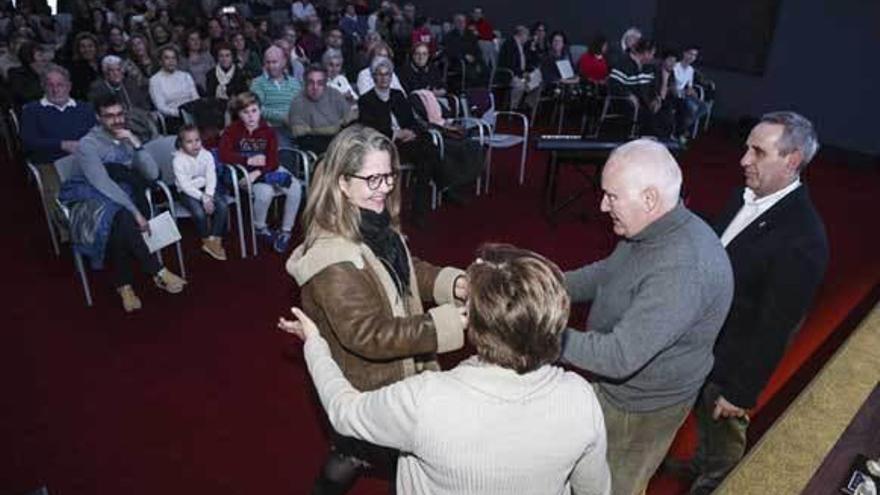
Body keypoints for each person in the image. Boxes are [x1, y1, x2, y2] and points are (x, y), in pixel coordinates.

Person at [282, 243, 611, 495]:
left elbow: (345, 412)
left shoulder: (427, 399)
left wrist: (315, 343)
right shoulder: (580, 398)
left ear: (473, 325)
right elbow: (594, 490)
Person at [283, 125, 468, 494]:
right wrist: (446, 323)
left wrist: (452, 283)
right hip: (371, 384)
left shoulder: (372, 222)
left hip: (395, 371)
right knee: (406, 463)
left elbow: (404, 269)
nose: (384, 188)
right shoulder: (331, 258)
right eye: (373, 179)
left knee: (355, 453)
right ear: (341, 183)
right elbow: (370, 335)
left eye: (389, 176)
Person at [562, 139, 734, 495]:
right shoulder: (651, 227)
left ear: (649, 199)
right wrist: (546, 285)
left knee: (613, 486)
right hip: (617, 391)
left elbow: (619, 356)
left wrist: (535, 333)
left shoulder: (684, 267)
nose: (601, 204)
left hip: (639, 410)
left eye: (611, 196)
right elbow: (607, 273)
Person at [670, 112, 829, 495]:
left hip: (733, 364)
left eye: (758, 152)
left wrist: (741, 392)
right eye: (746, 149)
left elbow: (777, 326)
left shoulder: (804, 238)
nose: (744, 160)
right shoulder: (745, 195)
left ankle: (714, 481)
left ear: (792, 162)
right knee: (704, 423)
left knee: (724, 448)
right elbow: (726, 247)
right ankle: (700, 463)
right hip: (704, 347)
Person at [62, 94, 187, 312]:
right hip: (90, 202)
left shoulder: (126, 137)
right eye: (109, 116)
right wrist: (136, 212)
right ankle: (156, 269)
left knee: (121, 219)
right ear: (98, 118)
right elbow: (102, 184)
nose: (116, 120)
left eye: (120, 114)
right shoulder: (88, 145)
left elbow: (152, 173)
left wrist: (136, 144)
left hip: (122, 198)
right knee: (123, 216)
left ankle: (125, 286)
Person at [358, 56, 442, 227]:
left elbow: (411, 120)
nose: (383, 78)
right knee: (427, 157)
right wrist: (396, 134)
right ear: (374, 77)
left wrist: (411, 132)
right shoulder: (366, 100)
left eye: (387, 74)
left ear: (391, 77)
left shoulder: (398, 96)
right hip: (385, 145)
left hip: (407, 142)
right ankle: (441, 185)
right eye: (379, 75)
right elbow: (370, 129)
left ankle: (420, 208)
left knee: (427, 151)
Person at [218, 91, 302, 253]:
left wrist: (257, 174)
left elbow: (272, 160)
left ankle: (286, 231)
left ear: (260, 110)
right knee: (265, 193)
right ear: (239, 114)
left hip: (265, 170)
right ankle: (260, 227)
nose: (251, 117)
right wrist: (247, 161)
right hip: (244, 173)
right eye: (245, 112)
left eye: (254, 111)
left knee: (295, 186)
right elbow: (224, 154)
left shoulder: (268, 130)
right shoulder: (232, 131)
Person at [21, 65, 97, 243]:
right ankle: (71, 233)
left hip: (83, 159)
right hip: (50, 162)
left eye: (60, 84)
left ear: (69, 86)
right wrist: (61, 144)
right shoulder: (32, 110)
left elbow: (96, 134)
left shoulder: (84, 108)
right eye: (50, 85)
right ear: (43, 87)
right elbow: (28, 142)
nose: (55, 89)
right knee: (59, 193)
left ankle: (100, 223)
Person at [172, 124, 228, 261]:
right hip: (186, 192)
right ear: (181, 143)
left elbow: (211, 176)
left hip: (206, 189)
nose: (195, 145)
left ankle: (214, 239)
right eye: (189, 142)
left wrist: (208, 195)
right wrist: (203, 198)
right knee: (199, 213)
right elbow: (185, 186)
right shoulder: (178, 160)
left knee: (222, 205)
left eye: (197, 140)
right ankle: (206, 239)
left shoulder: (207, 155)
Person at [288, 64, 355, 154]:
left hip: (338, 144)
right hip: (314, 148)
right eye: (311, 82)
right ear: (305, 83)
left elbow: (350, 119)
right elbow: (300, 134)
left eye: (320, 83)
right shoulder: (297, 101)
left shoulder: (334, 94)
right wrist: (334, 128)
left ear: (325, 84)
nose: (315, 87)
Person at [88, 55, 156, 142]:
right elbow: (97, 113)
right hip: (115, 124)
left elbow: (144, 106)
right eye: (111, 70)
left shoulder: (130, 83)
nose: (116, 73)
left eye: (119, 70)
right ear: (105, 73)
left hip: (138, 121)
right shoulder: (98, 88)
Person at [249, 45, 303, 144]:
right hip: (270, 128)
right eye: (268, 62)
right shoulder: (257, 83)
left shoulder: (295, 83)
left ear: (283, 62)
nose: (271, 66)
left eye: (274, 62)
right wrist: (282, 117)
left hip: (294, 127)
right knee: (282, 144)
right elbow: (256, 109)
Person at [608, 38, 658, 136]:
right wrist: (628, 95)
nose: (652, 57)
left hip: (644, 102)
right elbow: (613, 86)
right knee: (641, 114)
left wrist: (656, 99)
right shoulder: (622, 64)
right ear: (645, 53)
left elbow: (652, 87)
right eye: (651, 54)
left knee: (663, 111)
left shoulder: (649, 67)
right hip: (624, 101)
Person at [149, 45, 200, 134]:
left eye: (173, 58)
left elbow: (195, 98)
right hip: (173, 118)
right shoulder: (155, 80)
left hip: (193, 113)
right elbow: (161, 107)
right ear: (160, 61)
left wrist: (193, 112)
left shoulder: (185, 76)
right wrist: (180, 113)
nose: (171, 61)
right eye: (167, 58)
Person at [497, 25, 539, 111]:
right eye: (527, 36)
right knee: (519, 85)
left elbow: (529, 62)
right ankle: (513, 108)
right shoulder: (509, 44)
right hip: (510, 74)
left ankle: (527, 105)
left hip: (520, 74)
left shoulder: (522, 46)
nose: (527, 39)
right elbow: (509, 63)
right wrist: (522, 74)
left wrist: (533, 49)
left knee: (537, 82)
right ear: (521, 35)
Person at [672, 46, 708, 139]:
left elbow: (689, 85)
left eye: (694, 55)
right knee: (690, 107)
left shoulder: (690, 70)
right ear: (685, 53)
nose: (692, 57)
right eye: (690, 54)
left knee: (703, 107)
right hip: (675, 93)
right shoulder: (676, 66)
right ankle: (681, 131)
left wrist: (692, 92)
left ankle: (684, 127)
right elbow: (673, 84)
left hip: (685, 94)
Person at [444, 13, 487, 89]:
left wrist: (476, 59)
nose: (461, 24)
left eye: (463, 21)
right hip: (458, 63)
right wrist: (464, 56)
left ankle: (482, 95)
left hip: (473, 62)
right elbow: (450, 52)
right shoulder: (449, 36)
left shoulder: (471, 35)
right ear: (454, 23)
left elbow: (477, 50)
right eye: (459, 21)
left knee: (485, 70)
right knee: (471, 74)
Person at [179, 29, 216, 95]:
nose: (196, 42)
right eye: (192, 39)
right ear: (186, 42)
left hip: (212, 90)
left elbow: (216, 73)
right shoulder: (182, 60)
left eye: (198, 39)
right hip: (192, 93)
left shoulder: (207, 55)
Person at [67, 32, 102, 100]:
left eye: (90, 46)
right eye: (83, 47)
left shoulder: (102, 64)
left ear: (96, 47)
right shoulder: (75, 69)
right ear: (78, 49)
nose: (87, 50)